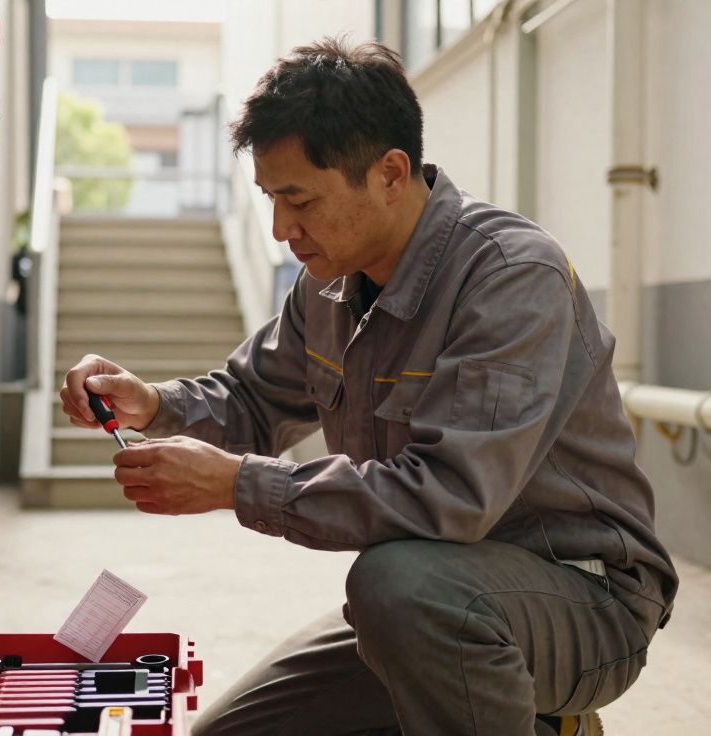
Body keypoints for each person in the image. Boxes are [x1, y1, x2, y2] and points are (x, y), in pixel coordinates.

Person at [60, 37, 677, 736]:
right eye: (270, 199)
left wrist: (237, 484)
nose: (281, 229)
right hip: (439, 596)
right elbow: (254, 399)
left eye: (299, 200)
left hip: (580, 594)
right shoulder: (325, 286)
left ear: (389, 174)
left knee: (395, 585)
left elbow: (449, 497)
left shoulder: (510, 277)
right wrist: (153, 403)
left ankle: (545, 719)